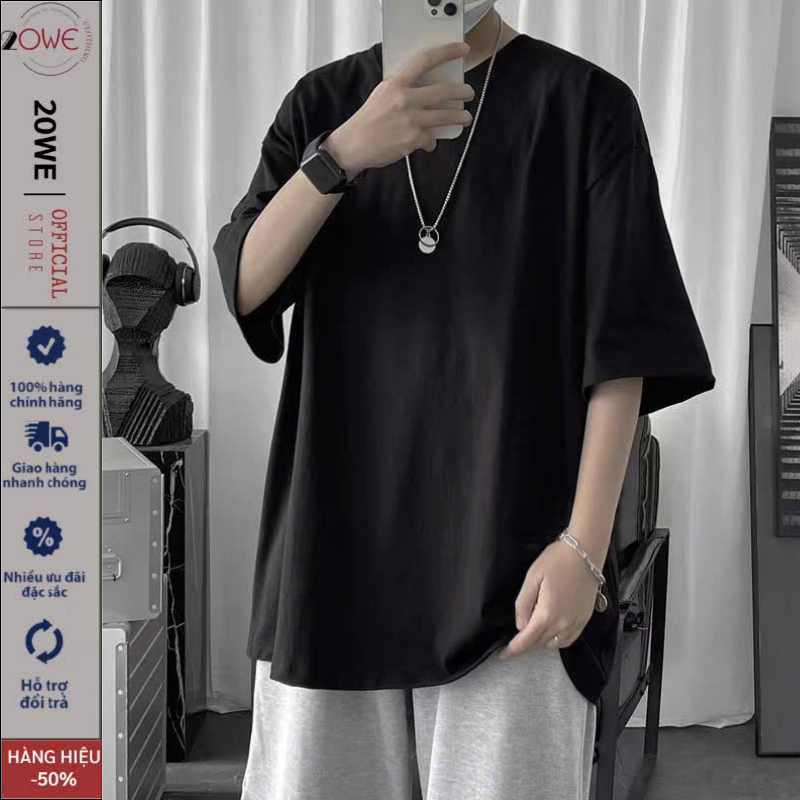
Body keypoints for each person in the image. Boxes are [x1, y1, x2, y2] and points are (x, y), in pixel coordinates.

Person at [214, 6, 715, 799]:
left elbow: (624, 348)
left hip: (515, 569)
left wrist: (584, 548)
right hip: (332, 561)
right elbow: (246, 286)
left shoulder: (585, 106)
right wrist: (342, 156)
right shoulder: (324, 103)